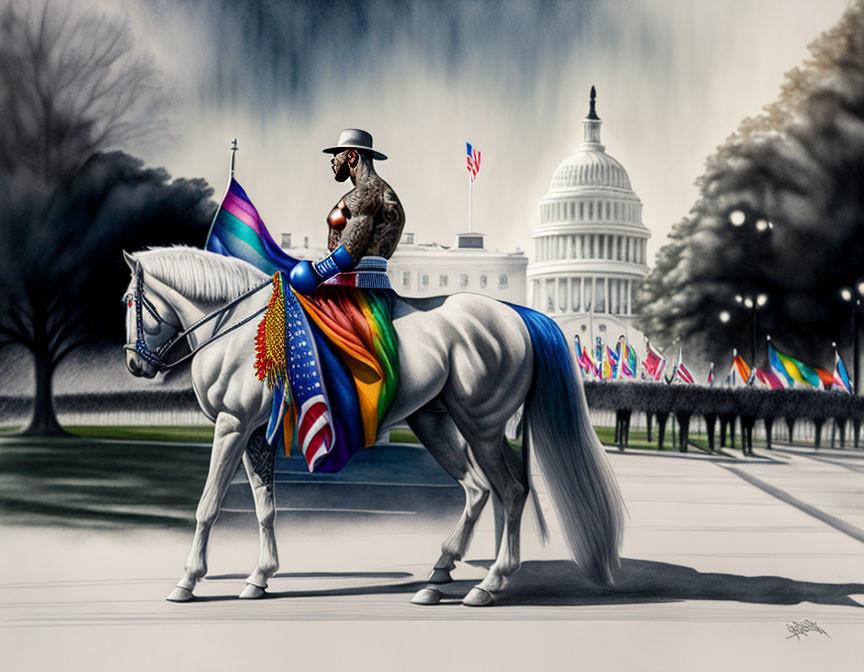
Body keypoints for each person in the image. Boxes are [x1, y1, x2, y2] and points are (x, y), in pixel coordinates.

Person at [289, 129, 405, 294]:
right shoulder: (382, 192)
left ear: (351, 156)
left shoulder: (366, 194)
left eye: (336, 154)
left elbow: (349, 252)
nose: (332, 161)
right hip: (371, 285)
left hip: (352, 290)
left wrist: (314, 272)